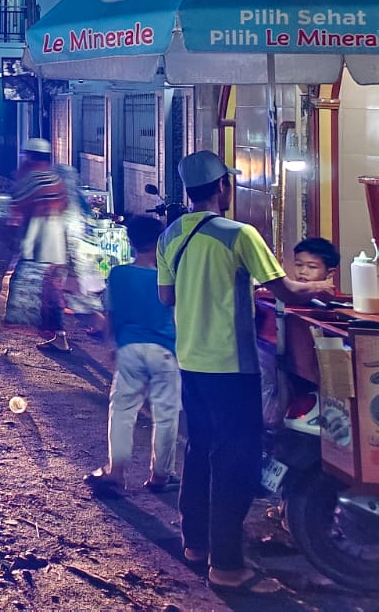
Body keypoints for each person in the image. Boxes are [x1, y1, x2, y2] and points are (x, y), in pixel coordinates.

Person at [157, 150, 336, 595]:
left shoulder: (171, 235)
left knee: (200, 450)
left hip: (190, 361)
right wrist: (324, 286)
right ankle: (227, 566)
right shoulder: (240, 234)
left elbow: (166, 297)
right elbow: (287, 290)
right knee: (234, 461)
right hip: (231, 366)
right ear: (222, 187)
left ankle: (196, 543)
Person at [84, 214, 178, 496]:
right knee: (166, 415)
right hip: (165, 351)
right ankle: (160, 475)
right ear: (160, 242)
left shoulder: (118, 274)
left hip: (129, 350)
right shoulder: (169, 279)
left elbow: (111, 316)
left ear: (131, 241)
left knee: (122, 411)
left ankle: (116, 472)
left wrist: (111, 345)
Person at [0, 138, 74, 351]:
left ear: (30, 156)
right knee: (52, 292)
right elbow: (64, 207)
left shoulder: (31, 179)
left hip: (36, 246)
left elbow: (17, 210)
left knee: (13, 284)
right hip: (56, 246)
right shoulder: (56, 179)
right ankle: (60, 338)